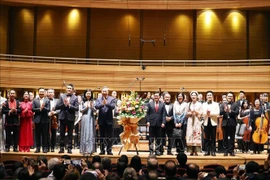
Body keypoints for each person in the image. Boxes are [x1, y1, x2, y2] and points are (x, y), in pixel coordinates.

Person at [55, 83, 79, 154]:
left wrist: (69, 105)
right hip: (62, 117)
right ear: (66, 89)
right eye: (68, 88)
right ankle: (62, 148)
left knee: (70, 134)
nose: (69, 89)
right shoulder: (62, 96)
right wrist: (64, 105)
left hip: (70, 117)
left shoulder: (75, 97)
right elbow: (57, 106)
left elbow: (77, 108)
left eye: (70, 88)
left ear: (72, 90)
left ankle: (69, 148)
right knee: (62, 133)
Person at [95, 86, 116, 155]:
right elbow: (96, 106)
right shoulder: (98, 99)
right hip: (101, 120)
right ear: (101, 92)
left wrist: (106, 103)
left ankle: (109, 150)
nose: (104, 92)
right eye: (103, 91)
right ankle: (102, 150)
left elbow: (113, 107)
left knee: (109, 136)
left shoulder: (111, 99)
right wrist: (102, 104)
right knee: (102, 136)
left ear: (108, 92)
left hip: (109, 120)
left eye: (105, 91)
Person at [146, 91, 165, 156]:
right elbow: (147, 114)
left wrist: (163, 122)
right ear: (153, 97)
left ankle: (157, 150)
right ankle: (151, 150)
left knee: (158, 138)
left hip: (159, 123)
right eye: (155, 96)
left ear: (159, 97)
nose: (156, 97)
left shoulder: (162, 104)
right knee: (151, 138)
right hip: (151, 123)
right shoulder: (150, 104)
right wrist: (148, 121)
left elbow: (163, 114)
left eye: (157, 96)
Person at [220, 91, 239, 156]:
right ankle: (225, 151)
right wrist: (224, 111)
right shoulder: (223, 104)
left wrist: (230, 111)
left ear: (232, 97)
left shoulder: (235, 104)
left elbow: (237, 112)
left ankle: (231, 151)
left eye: (231, 96)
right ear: (226, 97)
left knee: (232, 138)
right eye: (229, 96)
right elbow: (220, 112)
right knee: (225, 137)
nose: (230, 97)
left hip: (232, 123)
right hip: (225, 122)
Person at [202, 91, 220, 156]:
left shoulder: (216, 104)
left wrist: (211, 114)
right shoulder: (203, 104)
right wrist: (206, 114)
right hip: (206, 122)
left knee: (213, 137)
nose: (209, 96)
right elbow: (202, 113)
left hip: (213, 122)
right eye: (208, 95)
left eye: (210, 95)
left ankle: (213, 151)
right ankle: (207, 151)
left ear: (212, 96)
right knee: (206, 137)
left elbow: (218, 113)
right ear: (206, 96)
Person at [32, 87, 50, 153]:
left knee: (45, 135)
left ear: (44, 93)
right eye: (40, 91)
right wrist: (39, 109)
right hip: (37, 120)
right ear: (38, 92)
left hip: (45, 120)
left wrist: (43, 108)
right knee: (37, 135)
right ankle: (38, 148)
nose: (41, 93)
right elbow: (33, 109)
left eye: (43, 92)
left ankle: (45, 148)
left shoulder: (47, 100)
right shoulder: (34, 100)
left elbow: (48, 109)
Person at [185, 91, 202, 156]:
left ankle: (197, 151)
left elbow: (202, 114)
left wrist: (197, 113)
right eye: (192, 95)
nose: (193, 96)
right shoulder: (188, 104)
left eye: (195, 95)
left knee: (196, 135)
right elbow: (186, 114)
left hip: (197, 121)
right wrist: (190, 113)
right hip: (190, 121)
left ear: (197, 96)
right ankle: (190, 150)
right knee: (190, 134)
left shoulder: (200, 104)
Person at [80, 89, 96, 155]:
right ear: (85, 94)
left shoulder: (93, 101)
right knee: (85, 133)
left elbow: (95, 110)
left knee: (90, 132)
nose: (88, 95)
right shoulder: (82, 102)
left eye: (89, 93)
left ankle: (90, 149)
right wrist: (86, 108)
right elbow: (80, 110)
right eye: (87, 93)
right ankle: (84, 149)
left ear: (91, 94)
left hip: (91, 118)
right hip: (85, 118)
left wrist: (92, 107)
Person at [47, 88, 60, 152]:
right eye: (49, 92)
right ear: (47, 93)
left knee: (53, 133)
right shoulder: (44, 100)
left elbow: (59, 109)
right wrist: (48, 113)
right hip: (46, 118)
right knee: (46, 133)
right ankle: (47, 147)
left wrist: (54, 112)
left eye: (51, 92)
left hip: (54, 119)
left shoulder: (57, 101)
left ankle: (52, 147)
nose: (50, 93)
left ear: (54, 93)